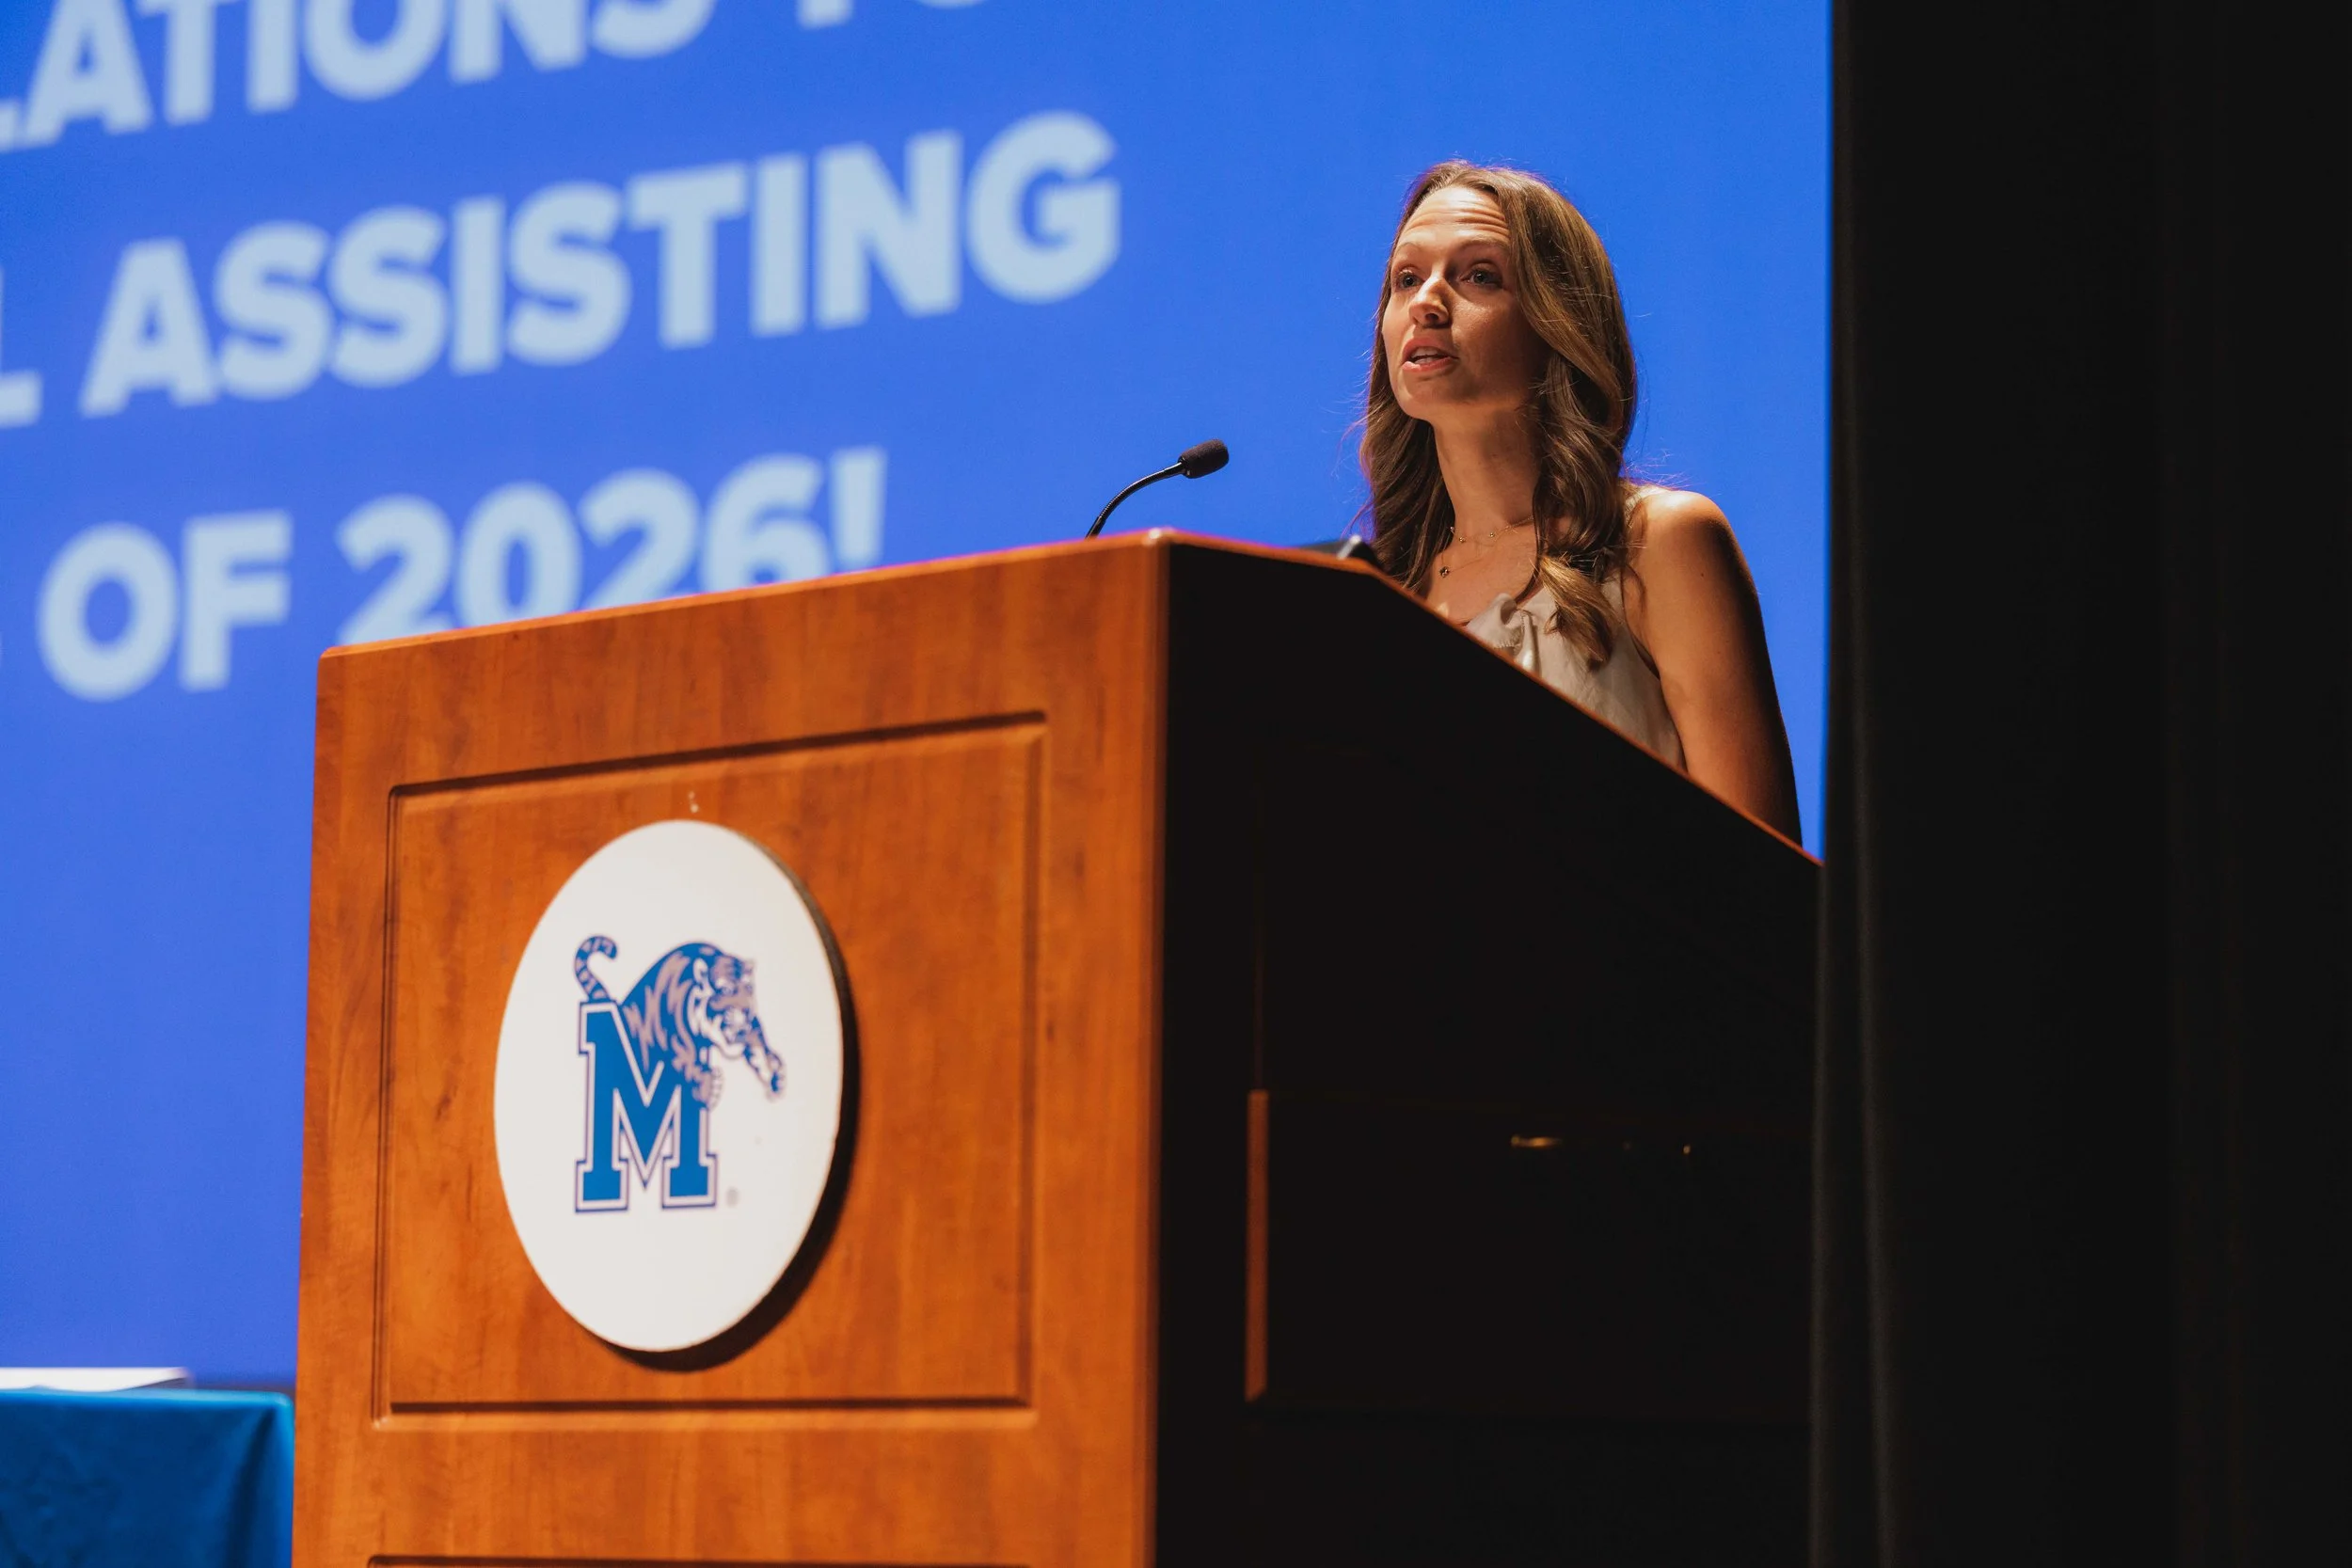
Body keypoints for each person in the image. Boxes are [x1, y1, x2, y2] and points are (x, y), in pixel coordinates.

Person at [1363, 162, 1803, 841]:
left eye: (1479, 275)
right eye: (1406, 279)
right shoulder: (1383, 596)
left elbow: (1765, 879)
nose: (1428, 301)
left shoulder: (1658, 542)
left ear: (1554, 323)